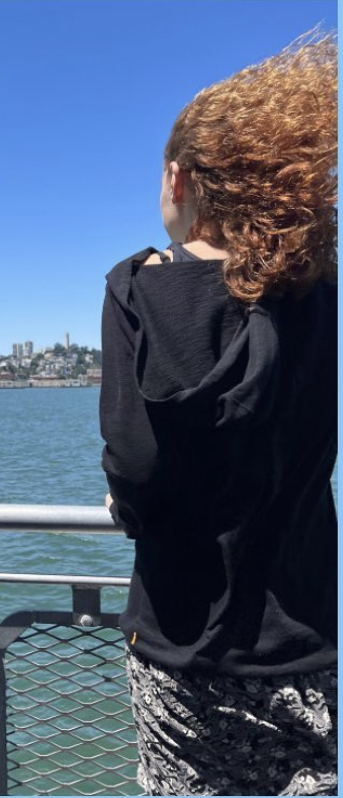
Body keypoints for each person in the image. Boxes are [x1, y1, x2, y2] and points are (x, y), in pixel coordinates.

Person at [99, 30, 337, 797]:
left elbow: (136, 463)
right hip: (306, 632)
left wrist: (125, 505)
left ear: (179, 178)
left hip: (180, 639)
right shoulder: (317, 290)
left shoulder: (136, 286)